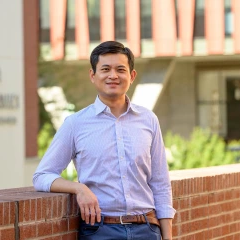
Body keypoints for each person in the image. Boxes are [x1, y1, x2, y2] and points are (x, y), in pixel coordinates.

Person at [33, 41, 175, 240]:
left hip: (147, 229)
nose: (113, 75)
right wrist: (78, 188)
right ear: (93, 75)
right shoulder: (76, 124)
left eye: (120, 69)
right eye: (105, 69)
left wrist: (167, 236)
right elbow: (42, 176)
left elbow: (160, 183)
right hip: (99, 231)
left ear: (132, 76)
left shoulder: (148, 120)